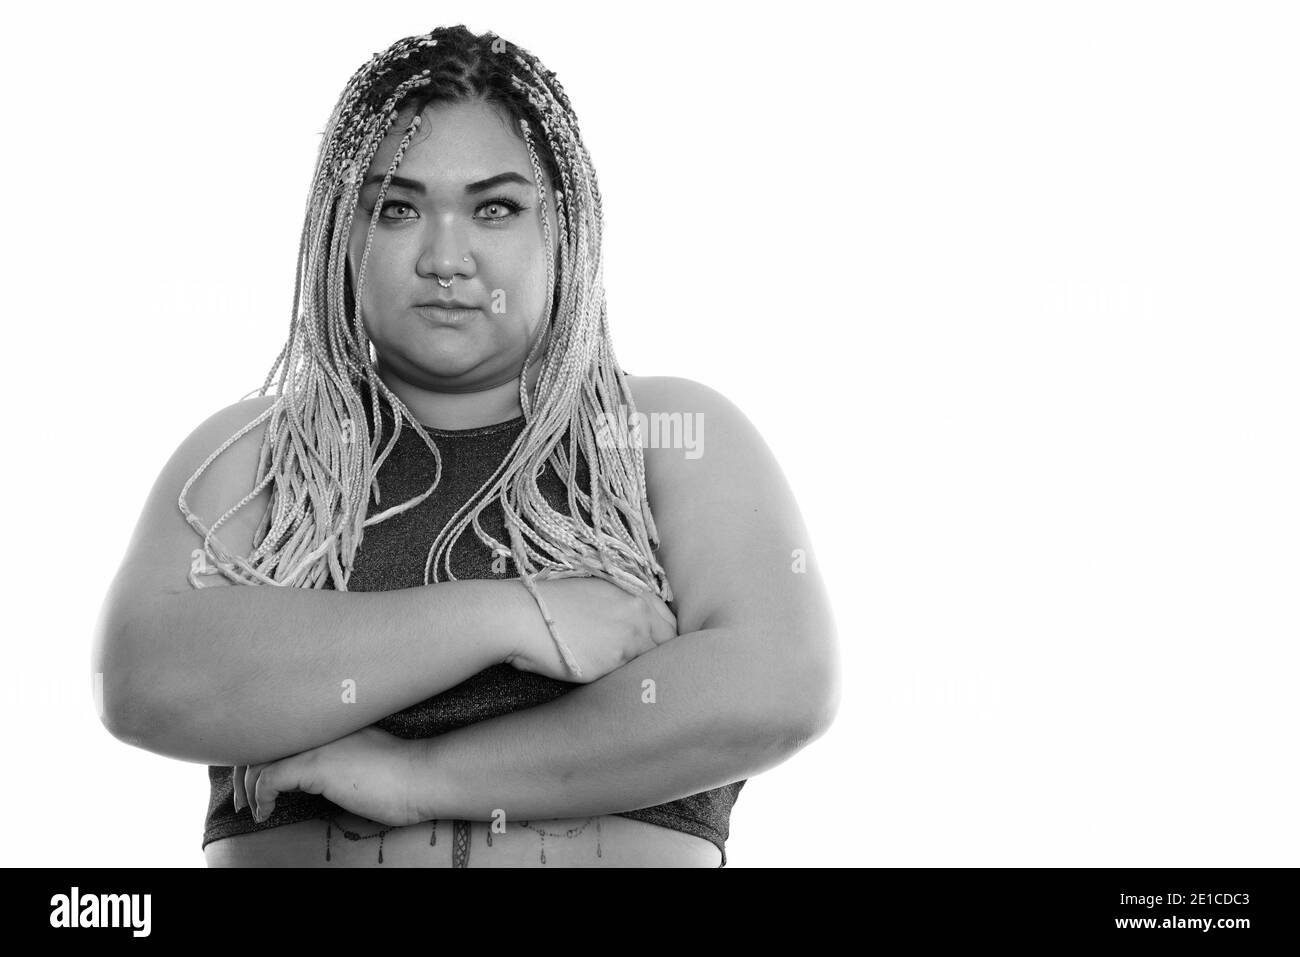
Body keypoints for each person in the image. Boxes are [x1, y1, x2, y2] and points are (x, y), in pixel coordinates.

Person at [92, 25, 839, 867]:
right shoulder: (262, 452)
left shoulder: (663, 437)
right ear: (341, 232)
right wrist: (513, 612)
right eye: (397, 208)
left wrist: (421, 775)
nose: (446, 258)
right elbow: (144, 680)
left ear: (568, 230)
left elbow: (777, 683)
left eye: (496, 207)